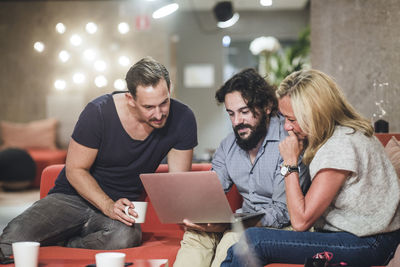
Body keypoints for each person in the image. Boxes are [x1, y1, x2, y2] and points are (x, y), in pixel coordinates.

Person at [0, 57, 198, 257]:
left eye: (164, 103)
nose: (158, 114)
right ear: (130, 99)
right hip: (71, 197)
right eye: (148, 107)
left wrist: (194, 214)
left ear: (169, 88)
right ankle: (66, 234)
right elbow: (75, 170)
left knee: (125, 237)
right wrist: (107, 206)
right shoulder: (98, 112)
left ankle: (69, 242)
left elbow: (177, 182)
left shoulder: (183, 118)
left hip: (119, 205)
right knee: (11, 239)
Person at [222, 69, 400, 266]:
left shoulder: (340, 145)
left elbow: (300, 221)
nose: (286, 127)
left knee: (254, 241)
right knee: (239, 248)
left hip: (369, 242)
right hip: (357, 236)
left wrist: (289, 162)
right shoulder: (337, 136)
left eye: (291, 119)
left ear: (315, 113)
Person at [173, 68, 310, 267]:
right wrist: (198, 212)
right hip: (243, 221)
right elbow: (211, 188)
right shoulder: (228, 145)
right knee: (196, 235)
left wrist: (235, 224)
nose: (237, 122)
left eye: (244, 112)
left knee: (233, 238)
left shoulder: (289, 139)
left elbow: (283, 212)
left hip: (283, 226)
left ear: (267, 106)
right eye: (231, 114)